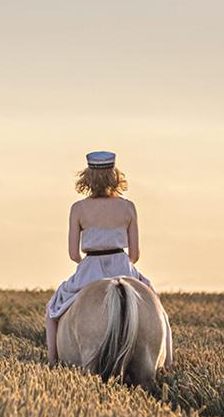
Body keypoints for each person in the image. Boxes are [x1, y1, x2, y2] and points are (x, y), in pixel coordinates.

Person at [45, 150, 155, 365]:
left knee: (53, 309)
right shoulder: (128, 207)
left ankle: (52, 361)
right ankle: (166, 362)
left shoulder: (78, 209)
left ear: (88, 177)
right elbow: (135, 254)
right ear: (114, 176)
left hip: (91, 267)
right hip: (122, 264)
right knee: (155, 303)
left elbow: (73, 254)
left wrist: (89, 263)